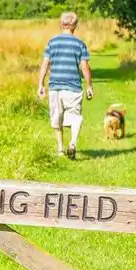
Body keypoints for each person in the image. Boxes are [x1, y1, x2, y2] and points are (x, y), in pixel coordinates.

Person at [36, 12, 93, 159]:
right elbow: (85, 67)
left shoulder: (52, 42)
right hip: (73, 87)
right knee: (76, 116)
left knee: (57, 118)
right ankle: (73, 143)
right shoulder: (80, 44)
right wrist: (89, 86)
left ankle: (60, 149)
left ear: (62, 25)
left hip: (55, 86)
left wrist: (41, 84)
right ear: (75, 26)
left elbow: (45, 64)